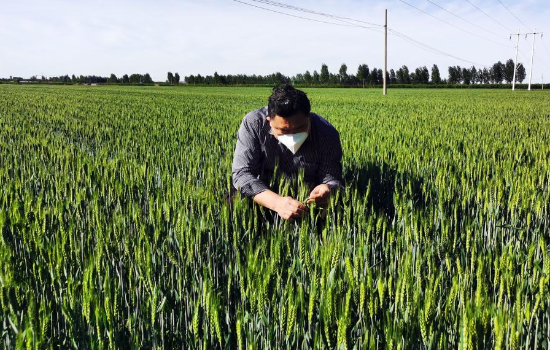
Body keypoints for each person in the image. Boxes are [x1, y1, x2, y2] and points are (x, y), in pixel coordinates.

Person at [231, 84, 343, 221]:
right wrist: (277, 202)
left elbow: (332, 177)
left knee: (339, 211)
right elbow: (242, 174)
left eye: (300, 128)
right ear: (269, 121)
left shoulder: (326, 133)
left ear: (309, 118)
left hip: (306, 201)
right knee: (233, 202)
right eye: (283, 130)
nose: (292, 135)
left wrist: (327, 188)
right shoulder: (254, 123)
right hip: (265, 194)